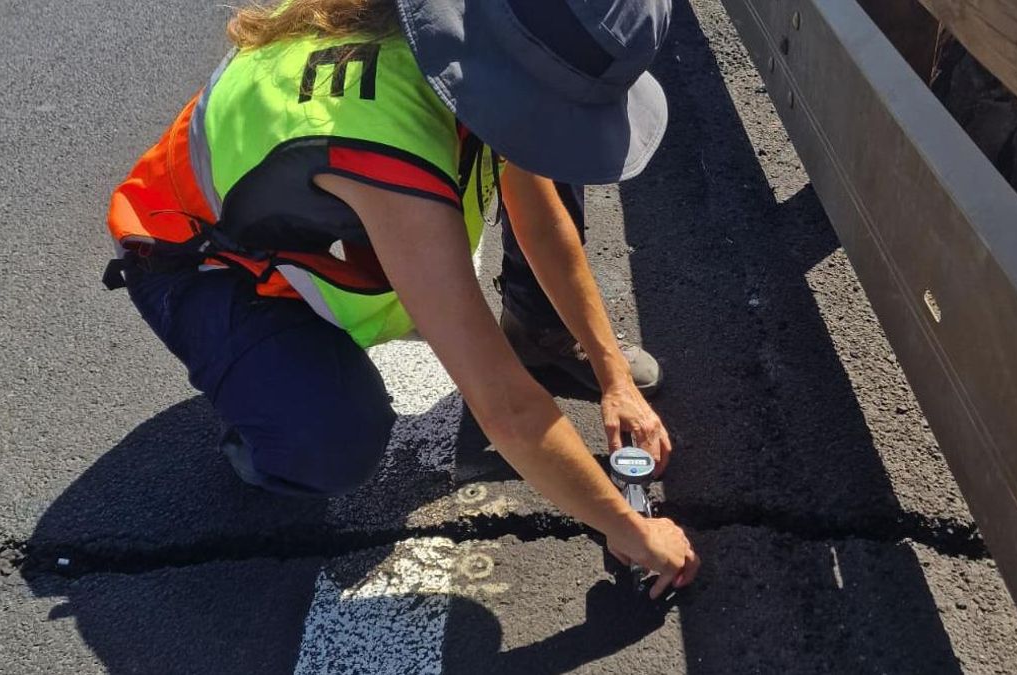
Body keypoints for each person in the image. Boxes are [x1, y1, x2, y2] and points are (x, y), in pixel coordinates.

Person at [105, 0, 698, 597]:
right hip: (197, 262)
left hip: (298, 226)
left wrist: (614, 377)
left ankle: (525, 337)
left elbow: (540, 224)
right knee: (333, 442)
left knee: (548, 152)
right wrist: (630, 529)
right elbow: (505, 407)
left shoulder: (466, 36)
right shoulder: (377, 135)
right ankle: (267, 423)